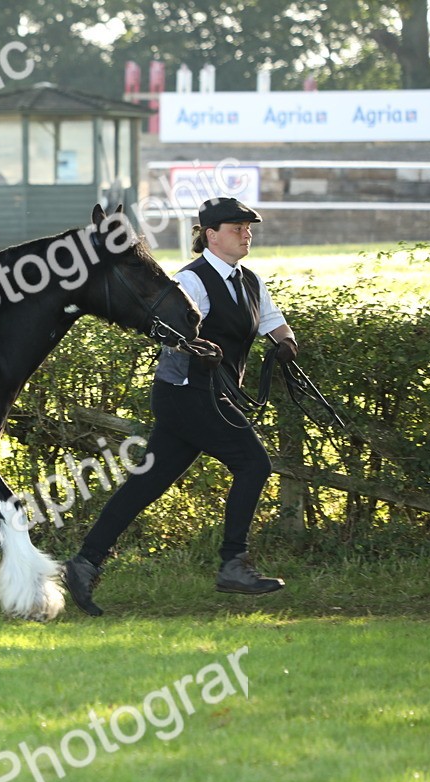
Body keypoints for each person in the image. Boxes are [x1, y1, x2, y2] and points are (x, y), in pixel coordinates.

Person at [63, 197, 299, 617]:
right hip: (187, 392)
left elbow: (273, 322)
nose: (246, 234)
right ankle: (233, 563)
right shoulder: (191, 280)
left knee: (146, 484)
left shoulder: (249, 281)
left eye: (248, 228)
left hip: (210, 396)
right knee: (254, 464)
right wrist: (196, 349)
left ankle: (84, 563)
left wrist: (286, 343)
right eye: (237, 228)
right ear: (211, 235)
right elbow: (168, 329)